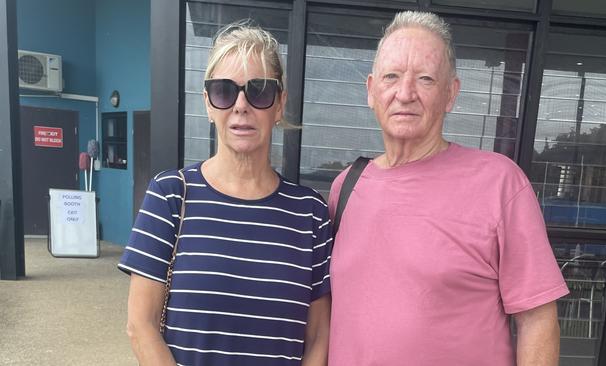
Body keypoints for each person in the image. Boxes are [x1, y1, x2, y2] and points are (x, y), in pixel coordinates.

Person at [327, 11, 569, 366]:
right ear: (371, 90)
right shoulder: (345, 187)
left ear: (450, 94)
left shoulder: (498, 183)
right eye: (391, 76)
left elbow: (537, 320)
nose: (405, 93)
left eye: (425, 79)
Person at [118, 21, 331, 366]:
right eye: (224, 90)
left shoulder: (310, 213)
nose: (241, 105)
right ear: (207, 103)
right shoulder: (171, 196)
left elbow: (319, 335)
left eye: (259, 90)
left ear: (279, 105)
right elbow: (140, 325)